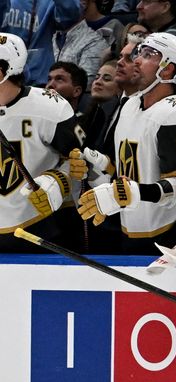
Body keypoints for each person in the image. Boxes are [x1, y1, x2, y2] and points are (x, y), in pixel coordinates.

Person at [75, 32, 176, 254]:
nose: (136, 59)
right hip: (129, 233)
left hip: (170, 240)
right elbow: (129, 171)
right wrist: (99, 168)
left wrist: (136, 193)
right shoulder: (129, 106)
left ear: (168, 69)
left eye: (148, 54)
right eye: (139, 52)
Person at [0, 33, 85, 253]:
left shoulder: (50, 107)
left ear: (3, 71)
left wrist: (57, 181)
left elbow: (83, 162)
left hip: (41, 230)